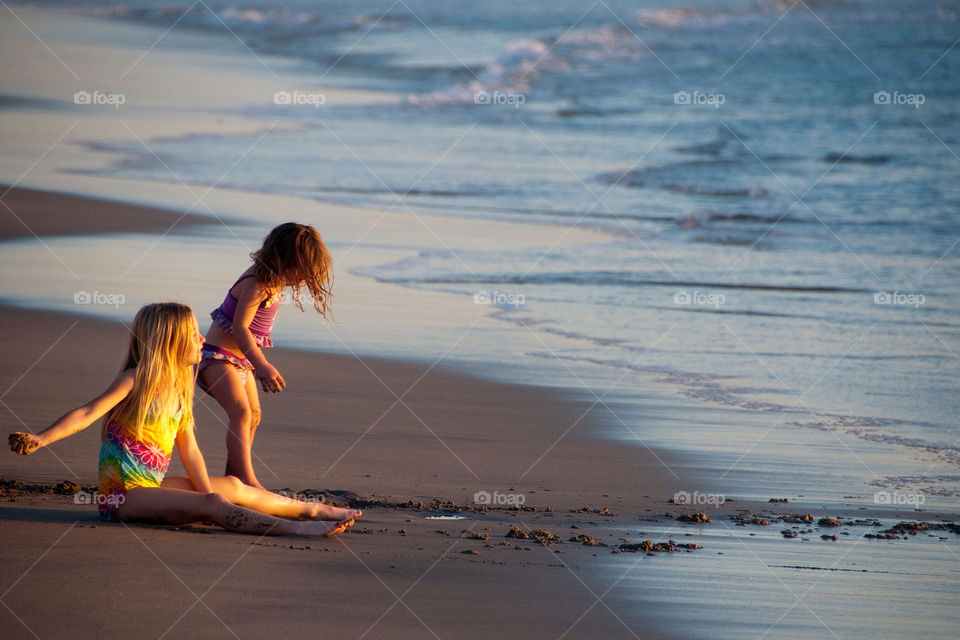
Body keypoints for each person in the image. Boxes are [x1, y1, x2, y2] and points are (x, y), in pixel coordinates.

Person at [8, 302, 359, 536]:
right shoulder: (137, 379)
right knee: (213, 503)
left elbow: (191, 453)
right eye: (193, 334)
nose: (203, 339)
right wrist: (40, 439)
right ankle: (296, 529)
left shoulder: (179, 394)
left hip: (153, 487)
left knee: (234, 487)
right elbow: (87, 413)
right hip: (123, 497)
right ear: (171, 341)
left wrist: (210, 494)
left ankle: (312, 511)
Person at [199, 222, 333, 490]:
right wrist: (262, 364)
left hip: (241, 362)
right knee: (241, 412)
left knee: (254, 414)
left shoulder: (274, 283)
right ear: (283, 260)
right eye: (301, 271)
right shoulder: (257, 284)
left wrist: (253, 363)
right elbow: (240, 328)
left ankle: (233, 476)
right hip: (218, 359)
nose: (304, 279)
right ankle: (245, 478)